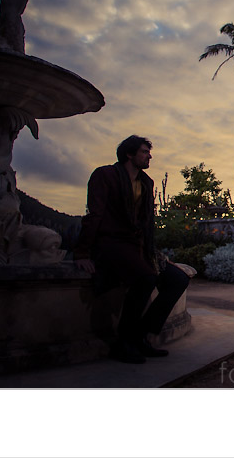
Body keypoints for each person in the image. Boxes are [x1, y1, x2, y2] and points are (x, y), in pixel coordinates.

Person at [74, 135, 190, 364]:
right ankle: (123, 343)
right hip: (111, 242)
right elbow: (94, 213)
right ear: (129, 154)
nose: (150, 156)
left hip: (138, 245)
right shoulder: (104, 175)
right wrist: (82, 252)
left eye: (149, 152)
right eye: (145, 151)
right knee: (146, 278)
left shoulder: (146, 183)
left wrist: (156, 255)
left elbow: (147, 222)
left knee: (178, 279)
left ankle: (141, 336)